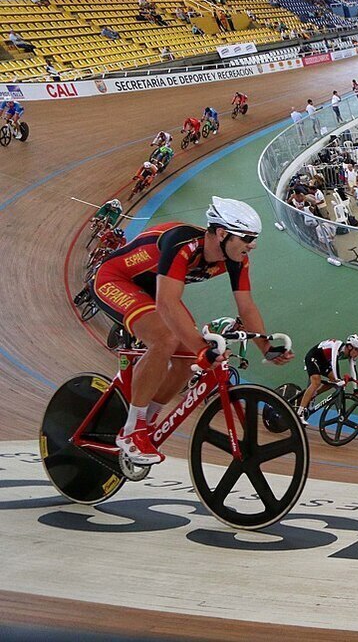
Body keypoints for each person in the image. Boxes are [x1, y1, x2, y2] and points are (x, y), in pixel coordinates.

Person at [90, 197, 294, 465]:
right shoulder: (182, 244)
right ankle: (131, 432)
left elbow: (246, 306)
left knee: (187, 359)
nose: (252, 245)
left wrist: (266, 346)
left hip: (153, 289)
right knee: (167, 338)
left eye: (253, 238)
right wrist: (202, 349)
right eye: (246, 238)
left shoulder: (237, 259)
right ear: (222, 233)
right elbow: (166, 303)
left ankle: (147, 421)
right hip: (115, 279)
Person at [297, 335, 358, 425]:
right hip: (313, 357)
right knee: (316, 381)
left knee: (333, 381)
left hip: (323, 361)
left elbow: (353, 370)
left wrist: (355, 388)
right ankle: (299, 413)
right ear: (350, 347)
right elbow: (334, 362)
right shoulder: (337, 345)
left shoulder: (352, 355)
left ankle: (314, 394)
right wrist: (338, 379)